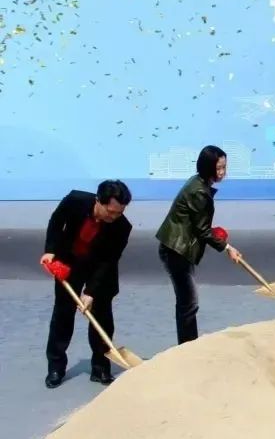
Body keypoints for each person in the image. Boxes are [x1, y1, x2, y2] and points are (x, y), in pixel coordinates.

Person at [40, 180, 133, 388]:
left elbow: (109, 260)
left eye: (119, 213)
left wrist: (90, 292)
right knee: (63, 314)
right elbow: (56, 221)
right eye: (111, 212)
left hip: (101, 269)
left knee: (102, 317)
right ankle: (56, 366)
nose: (114, 217)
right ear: (98, 201)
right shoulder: (75, 201)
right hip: (70, 262)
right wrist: (50, 250)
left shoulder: (122, 227)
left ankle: (100, 367)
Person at [156, 145, 242, 344]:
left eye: (224, 167)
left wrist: (214, 234)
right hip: (176, 249)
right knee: (189, 302)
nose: (222, 172)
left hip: (179, 247)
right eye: (218, 168)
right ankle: (187, 348)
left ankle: (188, 344)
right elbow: (202, 230)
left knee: (187, 301)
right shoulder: (199, 192)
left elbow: (199, 224)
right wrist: (227, 248)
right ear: (207, 167)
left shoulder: (198, 183)